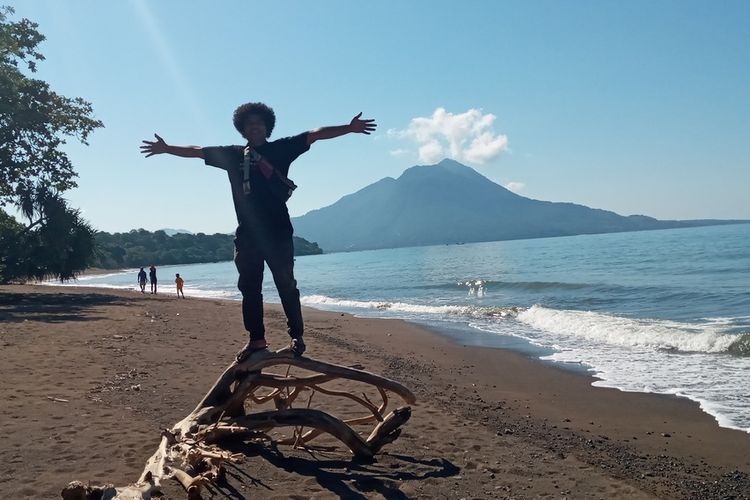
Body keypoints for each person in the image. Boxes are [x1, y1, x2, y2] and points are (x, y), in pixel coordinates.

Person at [140, 102, 375, 360]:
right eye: (249, 124)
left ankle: (297, 336)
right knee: (250, 288)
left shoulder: (281, 149)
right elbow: (197, 151)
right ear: (242, 128)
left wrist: (350, 128)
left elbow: (315, 134)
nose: (254, 127)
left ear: (267, 127)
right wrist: (166, 149)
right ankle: (257, 340)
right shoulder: (232, 155)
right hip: (247, 235)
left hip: (278, 232)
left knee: (286, 285)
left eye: (259, 123)